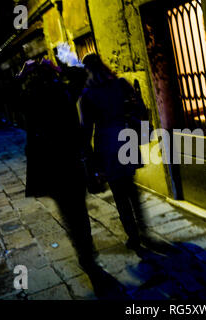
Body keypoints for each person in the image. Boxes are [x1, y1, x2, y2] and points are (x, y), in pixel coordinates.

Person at [18, 59, 125, 298]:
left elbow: (12, 94)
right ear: (51, 77)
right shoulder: (62, 94)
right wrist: (57, 67)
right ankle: (87, 256)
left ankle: (85, 256)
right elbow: (79, 74)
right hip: (69, 165)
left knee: (71, 215)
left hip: (52, 170)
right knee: (78, 214)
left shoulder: (31, 100)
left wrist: (24, 73)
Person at [80, 54, 148, 251]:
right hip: (126, 138)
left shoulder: (87, 95)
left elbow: (86, 129)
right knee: (131, 187)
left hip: (106, 144)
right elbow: (139, 108)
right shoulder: (120, 84)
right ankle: (143, 228)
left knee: (119, 193)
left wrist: (89, 158)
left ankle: (133, 236)